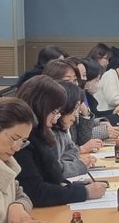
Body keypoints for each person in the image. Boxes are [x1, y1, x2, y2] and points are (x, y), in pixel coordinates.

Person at [14, 76, 109, 207]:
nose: (55, 120)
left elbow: (52, 177)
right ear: (39, 106)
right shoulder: (23, 141)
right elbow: (36, 192)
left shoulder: (41, 134)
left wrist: (74, 186)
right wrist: (84, 192)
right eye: (54, 112)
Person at [54, 81, 93, 178]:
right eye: (75, 108)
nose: (76, 114)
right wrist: (79, 165)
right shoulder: (49, 132)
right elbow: (54, 170)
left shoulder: (62, 129)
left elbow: (72, 151)